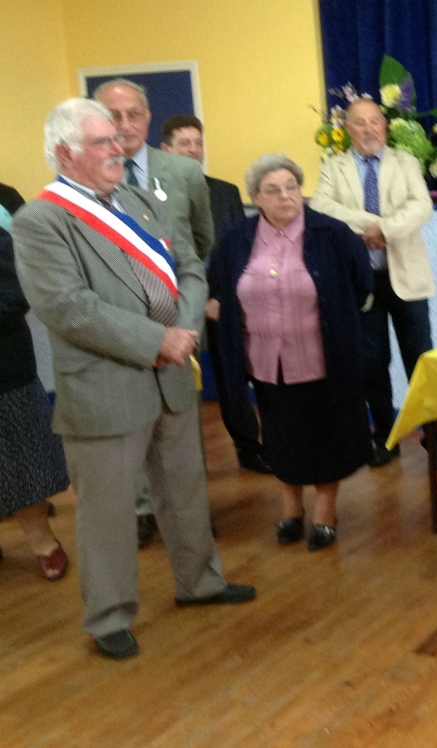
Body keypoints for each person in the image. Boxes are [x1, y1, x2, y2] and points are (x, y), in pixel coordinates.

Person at [12, 98, 255, 659]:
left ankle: (201, 582)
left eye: (118, 139)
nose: (119, 147)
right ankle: (109, 617)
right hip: (104, 386)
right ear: (66, 154)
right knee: (108, 512)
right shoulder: (41, 221)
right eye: (103, 141)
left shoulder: (138, 202)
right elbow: (68, 309)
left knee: (185, 492)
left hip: (170, 374)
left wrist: (185, 330)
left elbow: (190, 267)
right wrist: (156, 341)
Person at [208, 154, 373, 551]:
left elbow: (362, 284)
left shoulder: (332, 234)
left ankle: (324, 513)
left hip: (323, 359)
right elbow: (220, 288)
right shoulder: (236, 239)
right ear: (255, 198)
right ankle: (290, 510)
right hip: (266, 361)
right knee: (280, 437)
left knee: (325, 437)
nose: (285, 196)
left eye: (292, 187)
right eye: (273, 190)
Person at [94, 79, 216, 547]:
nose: (124, 125)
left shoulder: (181, 172)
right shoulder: (90, 178)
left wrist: (182, 312)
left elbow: (199, 241)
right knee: (132, 417)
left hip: (177, 321)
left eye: (133, 115)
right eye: (113, 115)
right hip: (120, 323)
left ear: (148, 119)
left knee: (180, 423)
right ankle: (142, 508)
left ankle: (189, 513)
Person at [310, 98, 437, 472]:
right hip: (361, 281)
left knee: (420, 361)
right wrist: (370, 224)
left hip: (406, 277)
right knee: (371, 364)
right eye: (360, 123)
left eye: (375, 122)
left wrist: (385, 230)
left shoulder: (405, 163)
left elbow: (420, 206)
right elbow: (323, 208)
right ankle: (385, 439)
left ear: (385, 127)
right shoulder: (333, 166)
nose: (369, 129)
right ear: (348, 129)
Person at [160, 114, 270, 474]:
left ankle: (249, 449)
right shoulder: (153, 196)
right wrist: (196, 301)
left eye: (198, 143)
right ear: (166, 150)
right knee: (180, 388)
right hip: (176, 308)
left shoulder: (225, 192)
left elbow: (242, 249)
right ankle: (186, 465)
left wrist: (222, 298)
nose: (193, 150)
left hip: (224, 303)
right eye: (184, 144)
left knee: (233, 379)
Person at [0, 226, 70, 580]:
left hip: (5, 373)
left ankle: (43, 541)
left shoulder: (1, 239)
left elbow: (15, 295)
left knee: (22, 463)